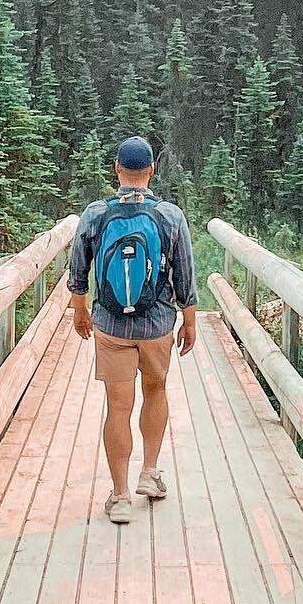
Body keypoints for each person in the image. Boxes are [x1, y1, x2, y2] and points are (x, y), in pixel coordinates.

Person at [67, 136, 197, 525]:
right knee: (155, 391)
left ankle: (121, 496)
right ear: (152, 170)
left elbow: (78, 271)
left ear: (117, 169)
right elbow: (185, 275)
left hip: (110, 326)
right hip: (157, 324)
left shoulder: (94, 214)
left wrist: (80, 310)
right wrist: (189, 320)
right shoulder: (170, 216)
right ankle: (150, 473)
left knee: (117, 406)